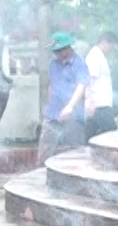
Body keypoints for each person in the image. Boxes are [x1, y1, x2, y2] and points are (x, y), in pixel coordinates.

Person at [38, 32, 91, 163]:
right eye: (55, 51)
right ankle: (41, 176)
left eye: (59, 51)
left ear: (67, 49)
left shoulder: (79, 64)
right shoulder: (54, 63)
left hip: (73, 115)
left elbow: (81, 85)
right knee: (45, 150)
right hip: (53, 113)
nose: (56, 54)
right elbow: (52, 83)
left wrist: (70, 107)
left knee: (76, 152)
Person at [84, 31, 118, 138]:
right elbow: (88, 79)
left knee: (90, 136)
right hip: (99, 105)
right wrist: (90, 101)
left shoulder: (100, 56)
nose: (111, 49)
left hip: (101, 105)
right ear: (104, 42)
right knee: (112, 135)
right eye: (111, 45)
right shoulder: (95, 56)